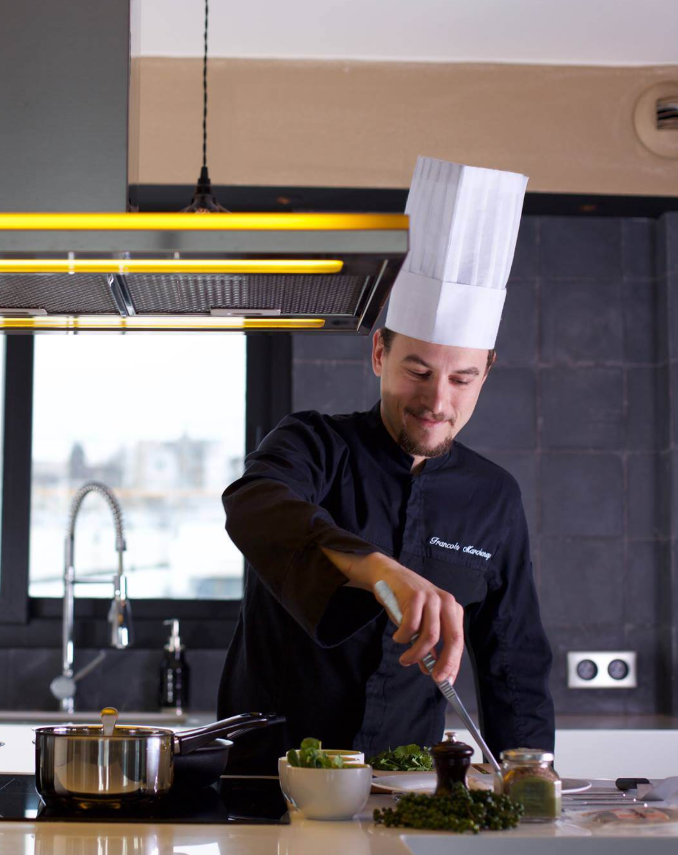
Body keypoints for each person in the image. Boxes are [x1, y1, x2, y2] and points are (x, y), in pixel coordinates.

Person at [217, 156, 554, 771]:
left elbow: (514, 659)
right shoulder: (315, 445)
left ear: (487, 373)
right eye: (418, 372)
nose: (437, 401)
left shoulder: (494, 497)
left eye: (462, 378)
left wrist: (530, 773)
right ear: (379, 352)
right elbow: (254, 504)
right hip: (269, 782)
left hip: (406, 788)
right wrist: (375, 569)